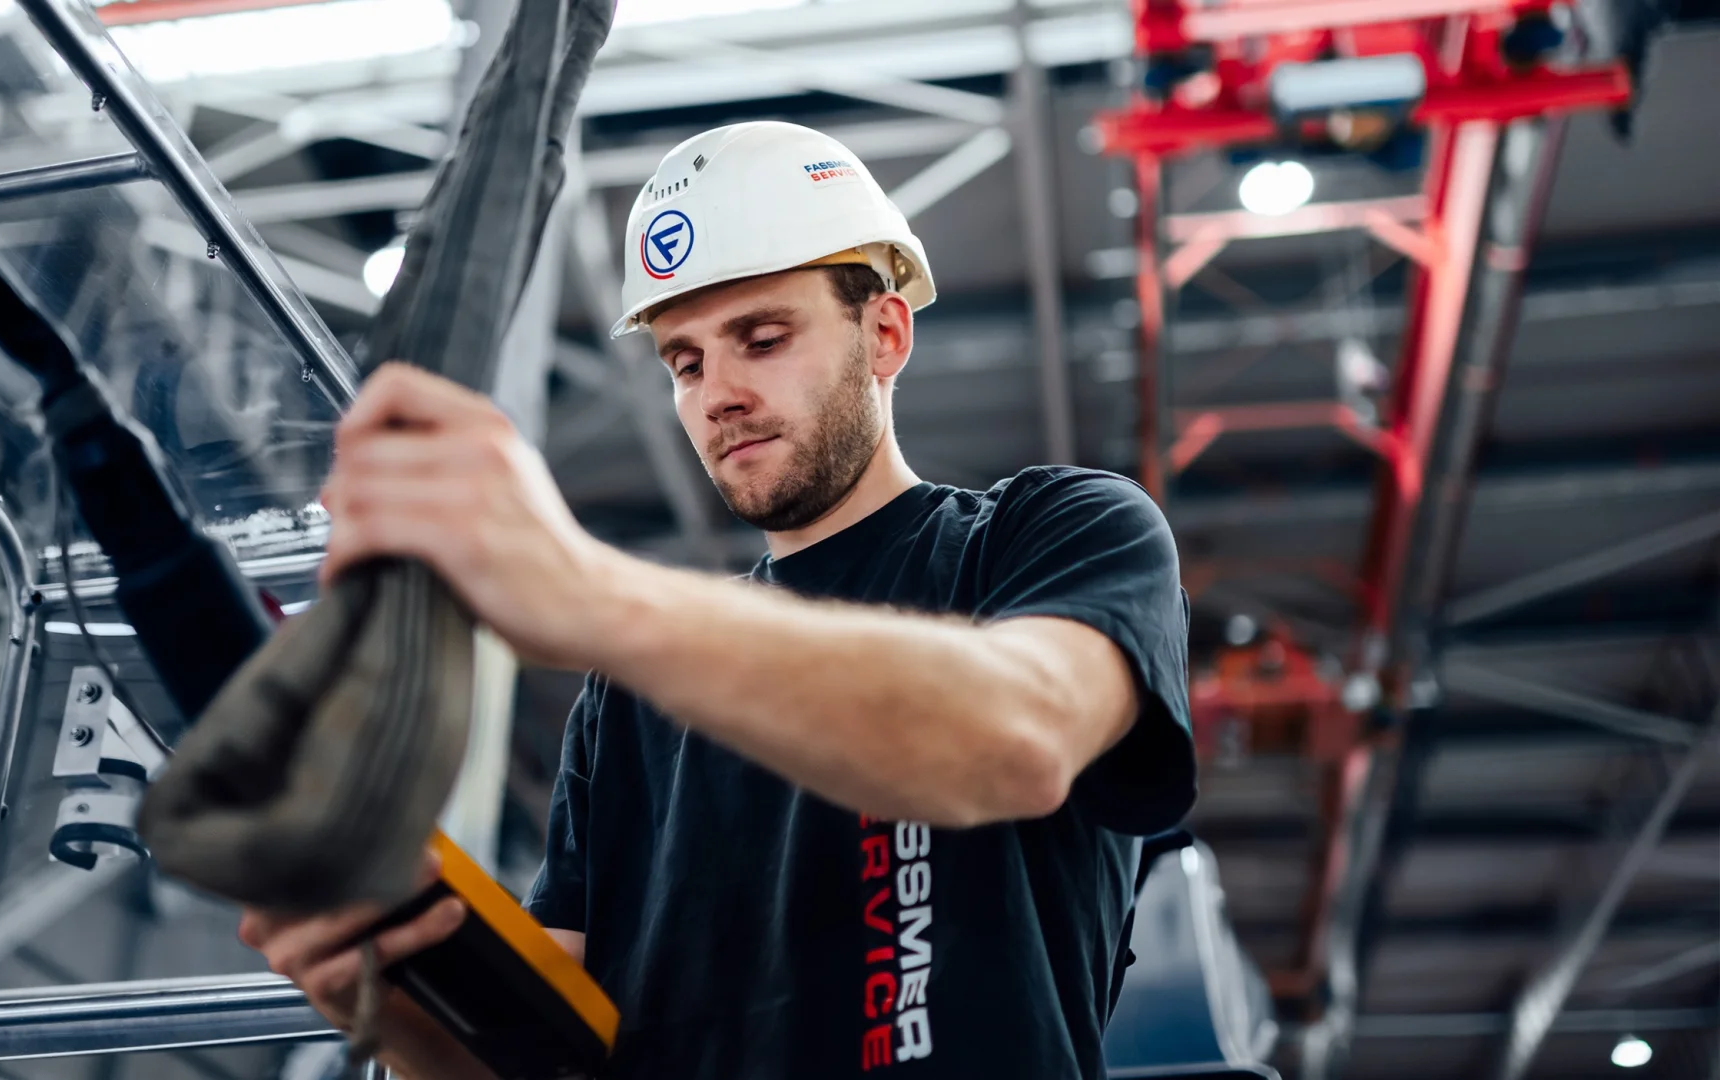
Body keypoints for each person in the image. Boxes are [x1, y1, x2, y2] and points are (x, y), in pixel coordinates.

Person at [239, 121, 1195, 1080]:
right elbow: (535, 1057)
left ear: (885, 333)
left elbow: (1020, 738)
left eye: (764, 339)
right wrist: (390, 993)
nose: (718, 394)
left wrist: (587, 589)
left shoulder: (1049, 537)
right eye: (685, 363)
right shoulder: (629, 700)